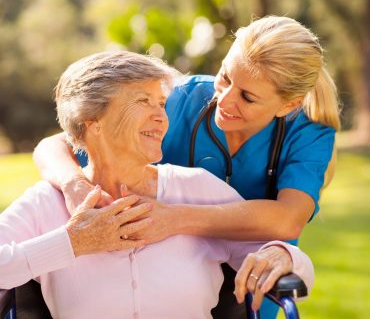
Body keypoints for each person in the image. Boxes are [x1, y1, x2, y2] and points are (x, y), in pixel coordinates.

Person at [33, 16, 340, 318]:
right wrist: (74, 185)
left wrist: (174, 217)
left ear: (288, 105)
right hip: (174, 270)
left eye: (247, 97)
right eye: (225, 77)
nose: (225, 100)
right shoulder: (181, 98)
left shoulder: (308, 132)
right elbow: (57, 145)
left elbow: (288, 220)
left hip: (252, 269)